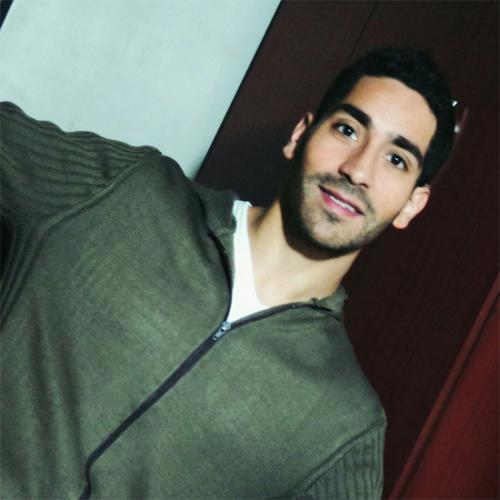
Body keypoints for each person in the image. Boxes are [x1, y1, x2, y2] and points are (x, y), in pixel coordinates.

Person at [0, 47, 454, 499]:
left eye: (397, 159)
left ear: (412, 205)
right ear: (300, 134)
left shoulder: (344, 424)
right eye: (348, 130)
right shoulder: (125, 191)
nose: (357, 170)